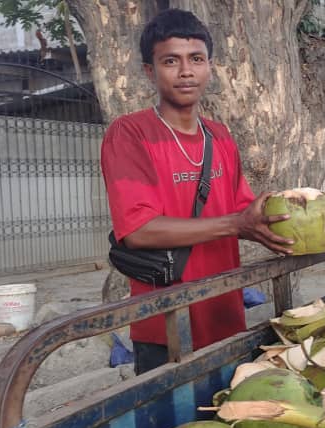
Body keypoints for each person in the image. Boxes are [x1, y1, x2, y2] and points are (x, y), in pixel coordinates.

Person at [100, 9, 294, 375]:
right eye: (170, 61)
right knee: (175, 426)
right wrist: (238, 224)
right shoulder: (130, 134)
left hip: (224, 310)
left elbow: (242, 207)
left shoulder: (219, 136)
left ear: (210, 67)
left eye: (196, 59)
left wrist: (289, 217)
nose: (186, 71)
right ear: (149, 71)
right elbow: (139, 230)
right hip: (167, 321)